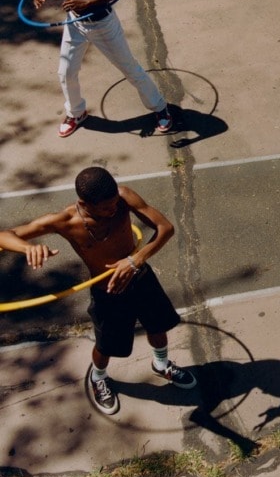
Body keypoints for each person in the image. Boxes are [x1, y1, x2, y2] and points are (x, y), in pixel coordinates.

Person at [0, 167, 196, 415]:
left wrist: (135, 260)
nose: (113, 210)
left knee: (158, 325)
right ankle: (98, 377)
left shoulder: (123, 197)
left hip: (141, 278)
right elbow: (5, 235)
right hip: (109, 292)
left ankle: (161, 363)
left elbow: (165, 228)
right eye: (105, 207)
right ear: (84, 203)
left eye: (114, 203)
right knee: (107, 346)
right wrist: (26, 248)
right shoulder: (64, 221)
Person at [34, 0, 172, 138]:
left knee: (130, 69)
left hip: (101, 22)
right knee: (66, 72)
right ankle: (76, 112)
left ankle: (160, 108)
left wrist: (87, 1)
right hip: (74, 23)